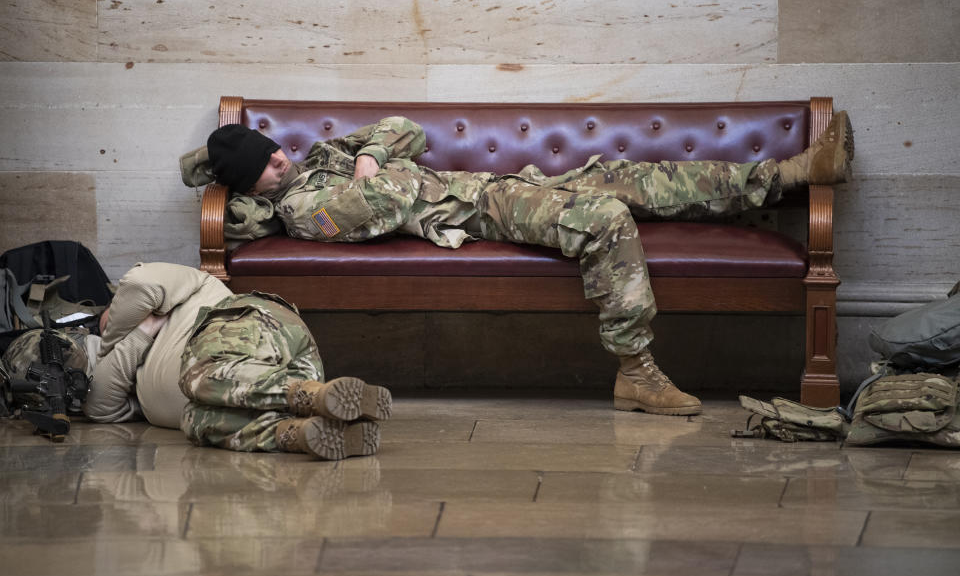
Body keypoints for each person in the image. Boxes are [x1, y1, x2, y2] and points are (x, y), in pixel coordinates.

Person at [183, 111, 853, 417]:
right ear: (252, 187)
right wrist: (372, 165)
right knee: (606, 219)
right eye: (268, 164)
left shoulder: (319, 165)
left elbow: (403, 128)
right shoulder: (306, 209)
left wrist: (366, 153)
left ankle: (789, 175)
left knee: (638, 179)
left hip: (491, 187)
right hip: (482, 213)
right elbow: (383, 205)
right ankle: (635, 370)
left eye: (275, 150)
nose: (283, 158)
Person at [84, 262, 391, 460]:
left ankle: (307, 395)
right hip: (249, 382)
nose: (109, 328)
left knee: (199, 376)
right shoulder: (134, 357)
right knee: (195, 421)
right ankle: (301, 431)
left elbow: (140, 282)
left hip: (250, 327)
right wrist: (139, 335)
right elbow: (100, 407)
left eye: (110, 317)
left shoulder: (192, 286)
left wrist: (113, 339)